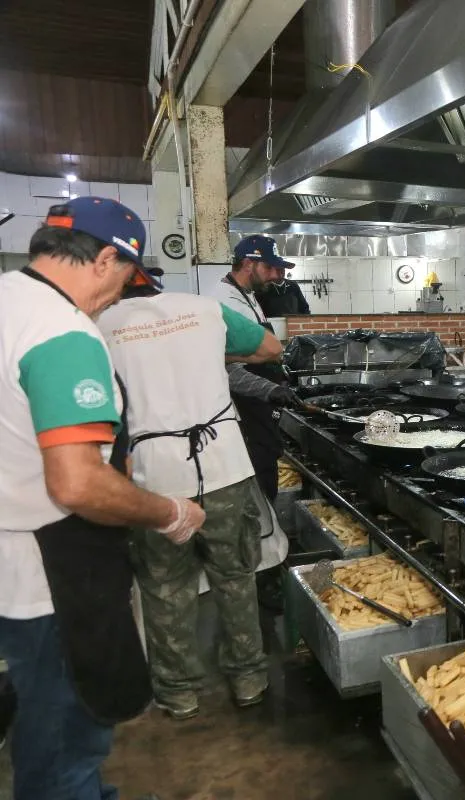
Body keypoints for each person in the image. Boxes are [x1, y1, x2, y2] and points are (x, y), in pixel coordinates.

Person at [0, 197, 206, 799]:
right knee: (67, 739)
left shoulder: (8, 300)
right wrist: (169, 513)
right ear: (105, 259)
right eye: (124, 278)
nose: (120, 295)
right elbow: (78, 484)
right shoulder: (62, 332)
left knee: (39, 726)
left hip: (13, 557)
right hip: (54, 573)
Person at [97, 273, 285, 720]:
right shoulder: (203, 309)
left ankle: (179, 693)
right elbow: (270, 348)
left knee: (165, 588)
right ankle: (248, 680)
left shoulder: (97, 324)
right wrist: (207, 351)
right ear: (154, 284)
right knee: (236, 578)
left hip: (153, 477)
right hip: (223, 466)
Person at [207, 234, 298, 502]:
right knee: (258, 469)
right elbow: (225, 362)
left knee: (266, 461)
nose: (276, 276)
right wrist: (271, 387)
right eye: (269, 268)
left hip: (259, 399)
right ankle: (262, 534)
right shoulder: (225, 301)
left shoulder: (246, 295)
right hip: (245, 402)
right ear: (249, 263)